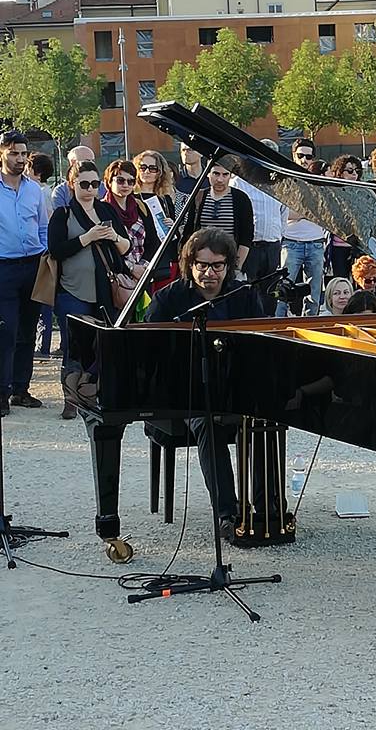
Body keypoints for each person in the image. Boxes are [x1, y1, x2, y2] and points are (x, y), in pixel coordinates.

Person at [145, 228, 263, 537]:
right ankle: (227, 512)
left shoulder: (244, 296)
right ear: (190, 264)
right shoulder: (170, 298)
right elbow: (146, 347)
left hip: (236, 389)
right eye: (202, 265)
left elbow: (263, 346)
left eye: (217, 266)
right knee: (206, 421)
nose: (209, 273)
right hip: (184, 393)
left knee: (266, 418)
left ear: (228, 265)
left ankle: (267, 508)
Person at [48, 161, 131, 419]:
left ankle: (95, 394)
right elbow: (56, 250)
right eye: (84, 184)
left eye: (95, 184)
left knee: (103, 344)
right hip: (73, 290)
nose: (90, 189)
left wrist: (113, 237)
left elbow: (125, 247)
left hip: (106, 289)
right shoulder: (63, 214)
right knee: (75, 346)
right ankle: (71, 399)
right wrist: (89, 237)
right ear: (72, 184)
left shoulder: (106, 208)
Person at [0, 131, 48, 415]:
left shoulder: (33, 190)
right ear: (2, 153)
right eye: (14, 154)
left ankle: (21, 389)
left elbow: (42, 225)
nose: (20, 159)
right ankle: (1, 391)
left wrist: (44, 252)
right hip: (3, 267)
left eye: (23, 154)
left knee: (28, 331)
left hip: (33, 265)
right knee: (6, 331)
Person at [231, 139, 284, 315]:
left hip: (272, 246)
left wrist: (279, 237)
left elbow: (283, 212)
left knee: (271, 292)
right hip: (250, 247)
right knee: (249, 291)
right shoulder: (239, 182)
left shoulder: (278, 184)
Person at [276, 139, 327, 317]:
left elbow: (327, 212)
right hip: (291, 242)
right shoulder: (286, 181)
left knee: (314, 293)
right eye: (300, 155)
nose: (304, 160)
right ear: (293, 156)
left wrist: (303, 212)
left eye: (308, 156)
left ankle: (310, 325)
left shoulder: (319, 181)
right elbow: (284, 213)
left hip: (316, 243)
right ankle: (278, 325)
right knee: (283, 289)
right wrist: (311, 212)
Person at [181, 163, 253, 276]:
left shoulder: (241, 199)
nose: (220, 179)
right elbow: (189, 232)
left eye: (225, 175)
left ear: (230, 176)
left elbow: (246, 236)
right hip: (202, 261)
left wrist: (237, 266)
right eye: (216, 174)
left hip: (228, 259)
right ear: (208, 174)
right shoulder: (198, 197)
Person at [103, 160, 161, 281]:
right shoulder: (101, 209)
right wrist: (130, 268)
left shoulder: (140, 206)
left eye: (130, 181)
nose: (125, 185)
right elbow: (105, 249)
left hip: (142, 274)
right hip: (116, 277)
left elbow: (153, 241)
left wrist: (143, 265)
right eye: (120, 180)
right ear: (109, 182)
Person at [134, 150, 178, 292]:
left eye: (152, 168)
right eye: (142, 167)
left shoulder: (165, 200)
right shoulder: (130, 198)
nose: (147, 171)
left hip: (163, 260)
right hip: (138, 259)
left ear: (159, 172)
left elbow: (175, 237)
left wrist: (173, 226)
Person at [26, 152, 56, 359]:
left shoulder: (38, 191)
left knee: (42, 303)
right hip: (41, 250)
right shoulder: (46, 191)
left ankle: (42, 346)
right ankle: (42, 345)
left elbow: (44, 223)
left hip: (38, 252)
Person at [327, 154, 364, 277]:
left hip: (359, 246)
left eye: (356, 171)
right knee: (340, 280)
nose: (354, 174)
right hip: (339, 246)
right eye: (349, 170)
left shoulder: (362, 193)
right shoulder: (333, 193)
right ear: (340, 173)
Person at [174, 142, 209, 214]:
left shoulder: (211, 178)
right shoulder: (176, 180)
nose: (186, 153)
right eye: (183, 150)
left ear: (201, 153)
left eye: (190, 149)